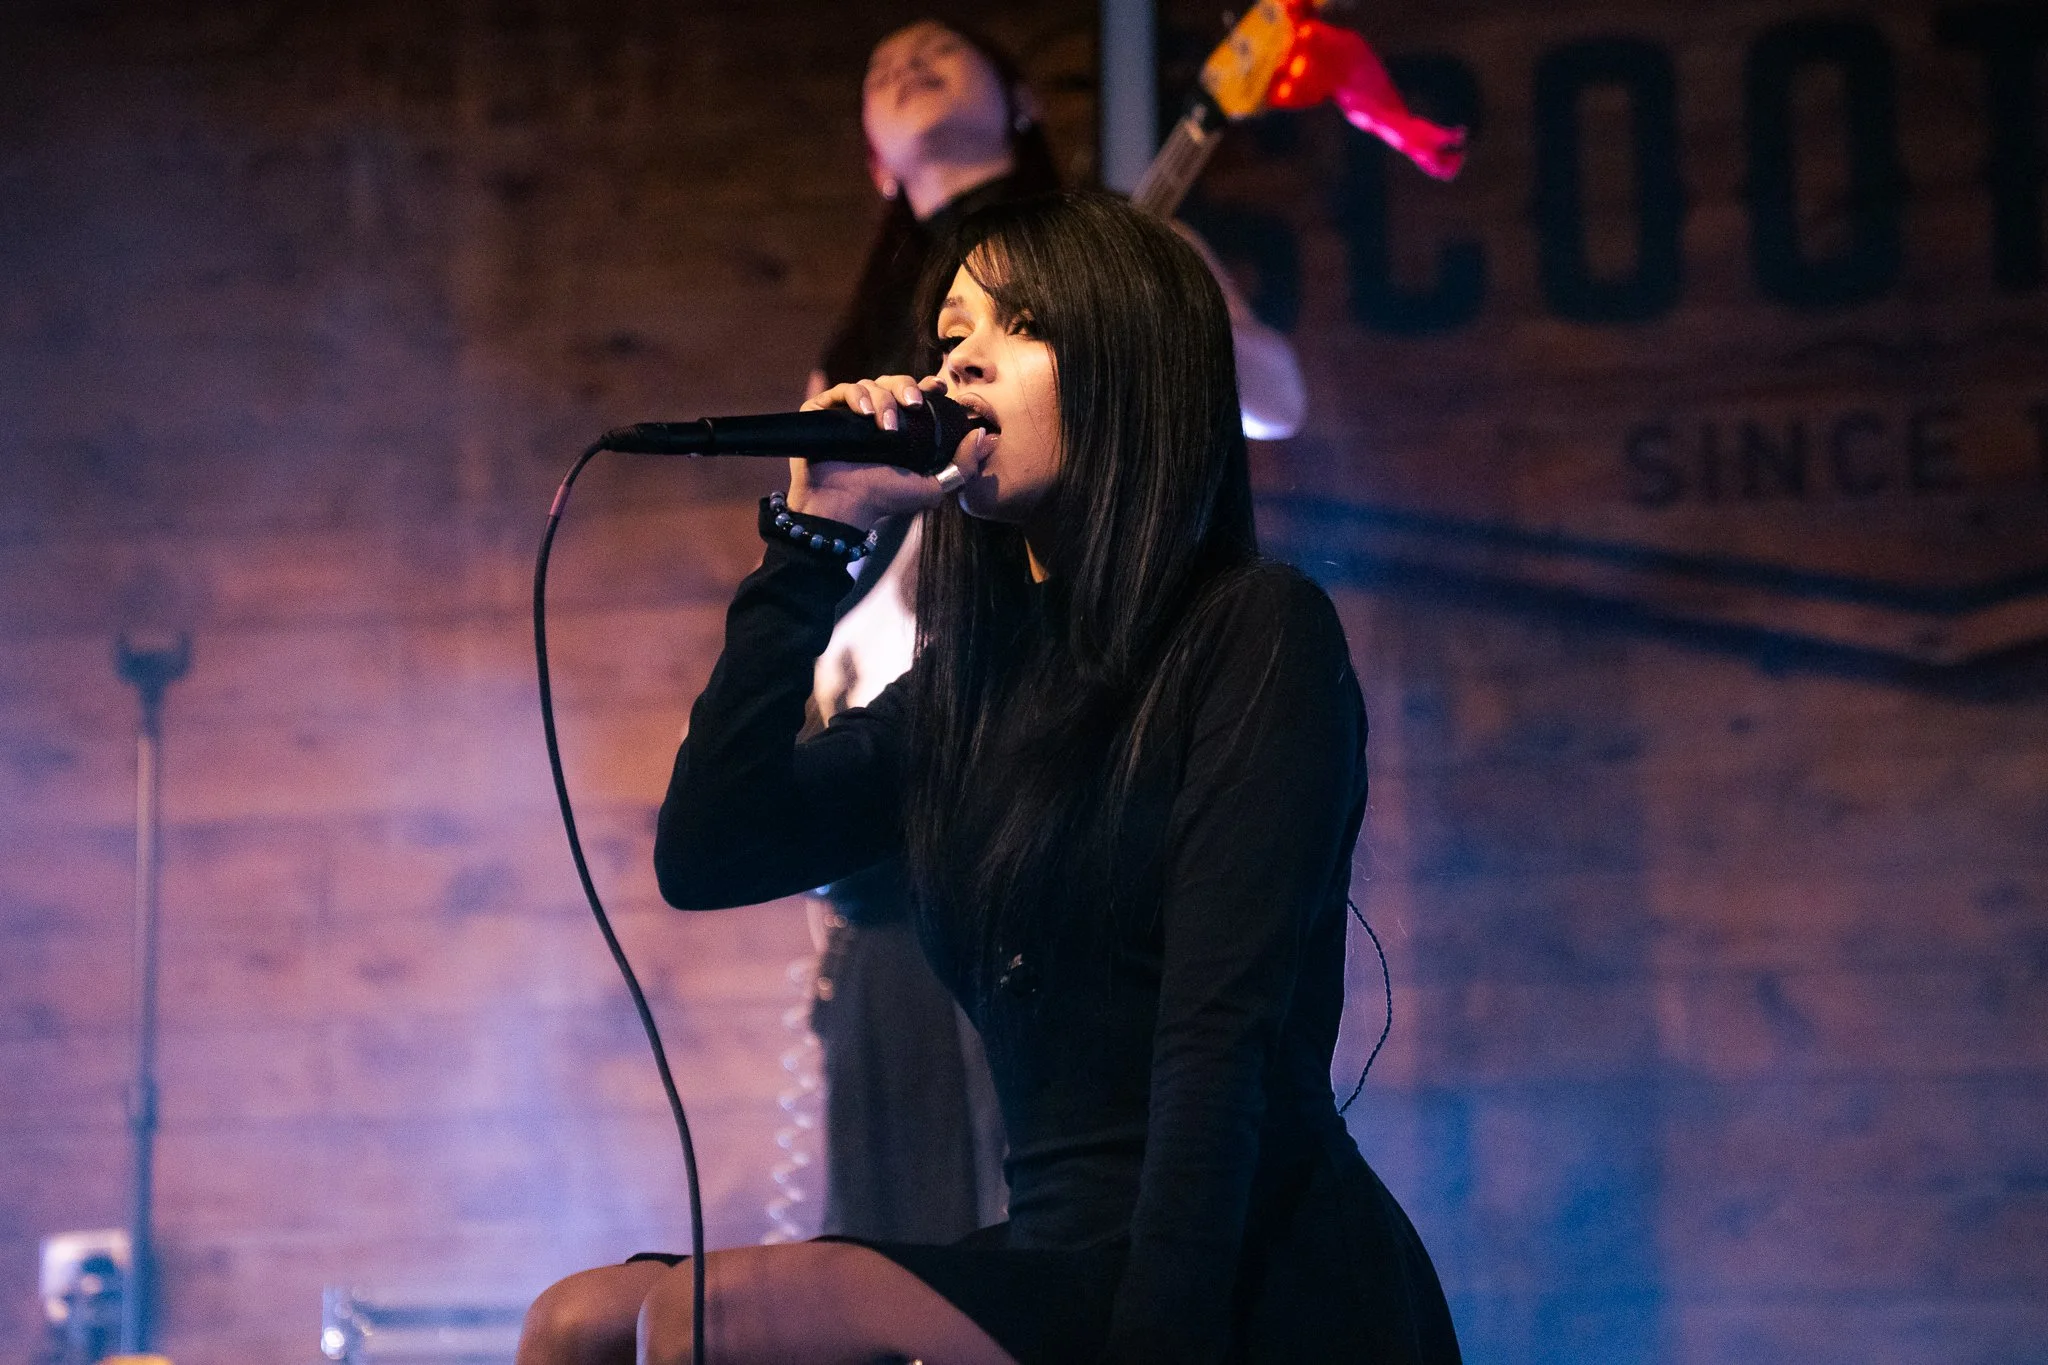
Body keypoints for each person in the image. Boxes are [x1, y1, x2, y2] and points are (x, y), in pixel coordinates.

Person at [517, 192, 1459, 1364]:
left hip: (1239, 1267)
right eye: (949, 332)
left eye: (1011, 324)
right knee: (576, 1326)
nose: (957, 359)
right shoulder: (964, 695)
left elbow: (1217, 1045)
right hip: (1053, 1252)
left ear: (1124, 354)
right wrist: (811, 546)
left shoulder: (1253, 634)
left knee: (708, 1319)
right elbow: (709, 854)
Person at [804, 18, 1304, 1249]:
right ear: (871, 157)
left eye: (942, 46)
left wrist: (1167, 304)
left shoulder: (1115, 246)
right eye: (880, 59)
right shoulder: (859, 322)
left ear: (1020, 99)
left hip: (1048, 716)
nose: (906, 55)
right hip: (910, 731)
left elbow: (1276, 403)